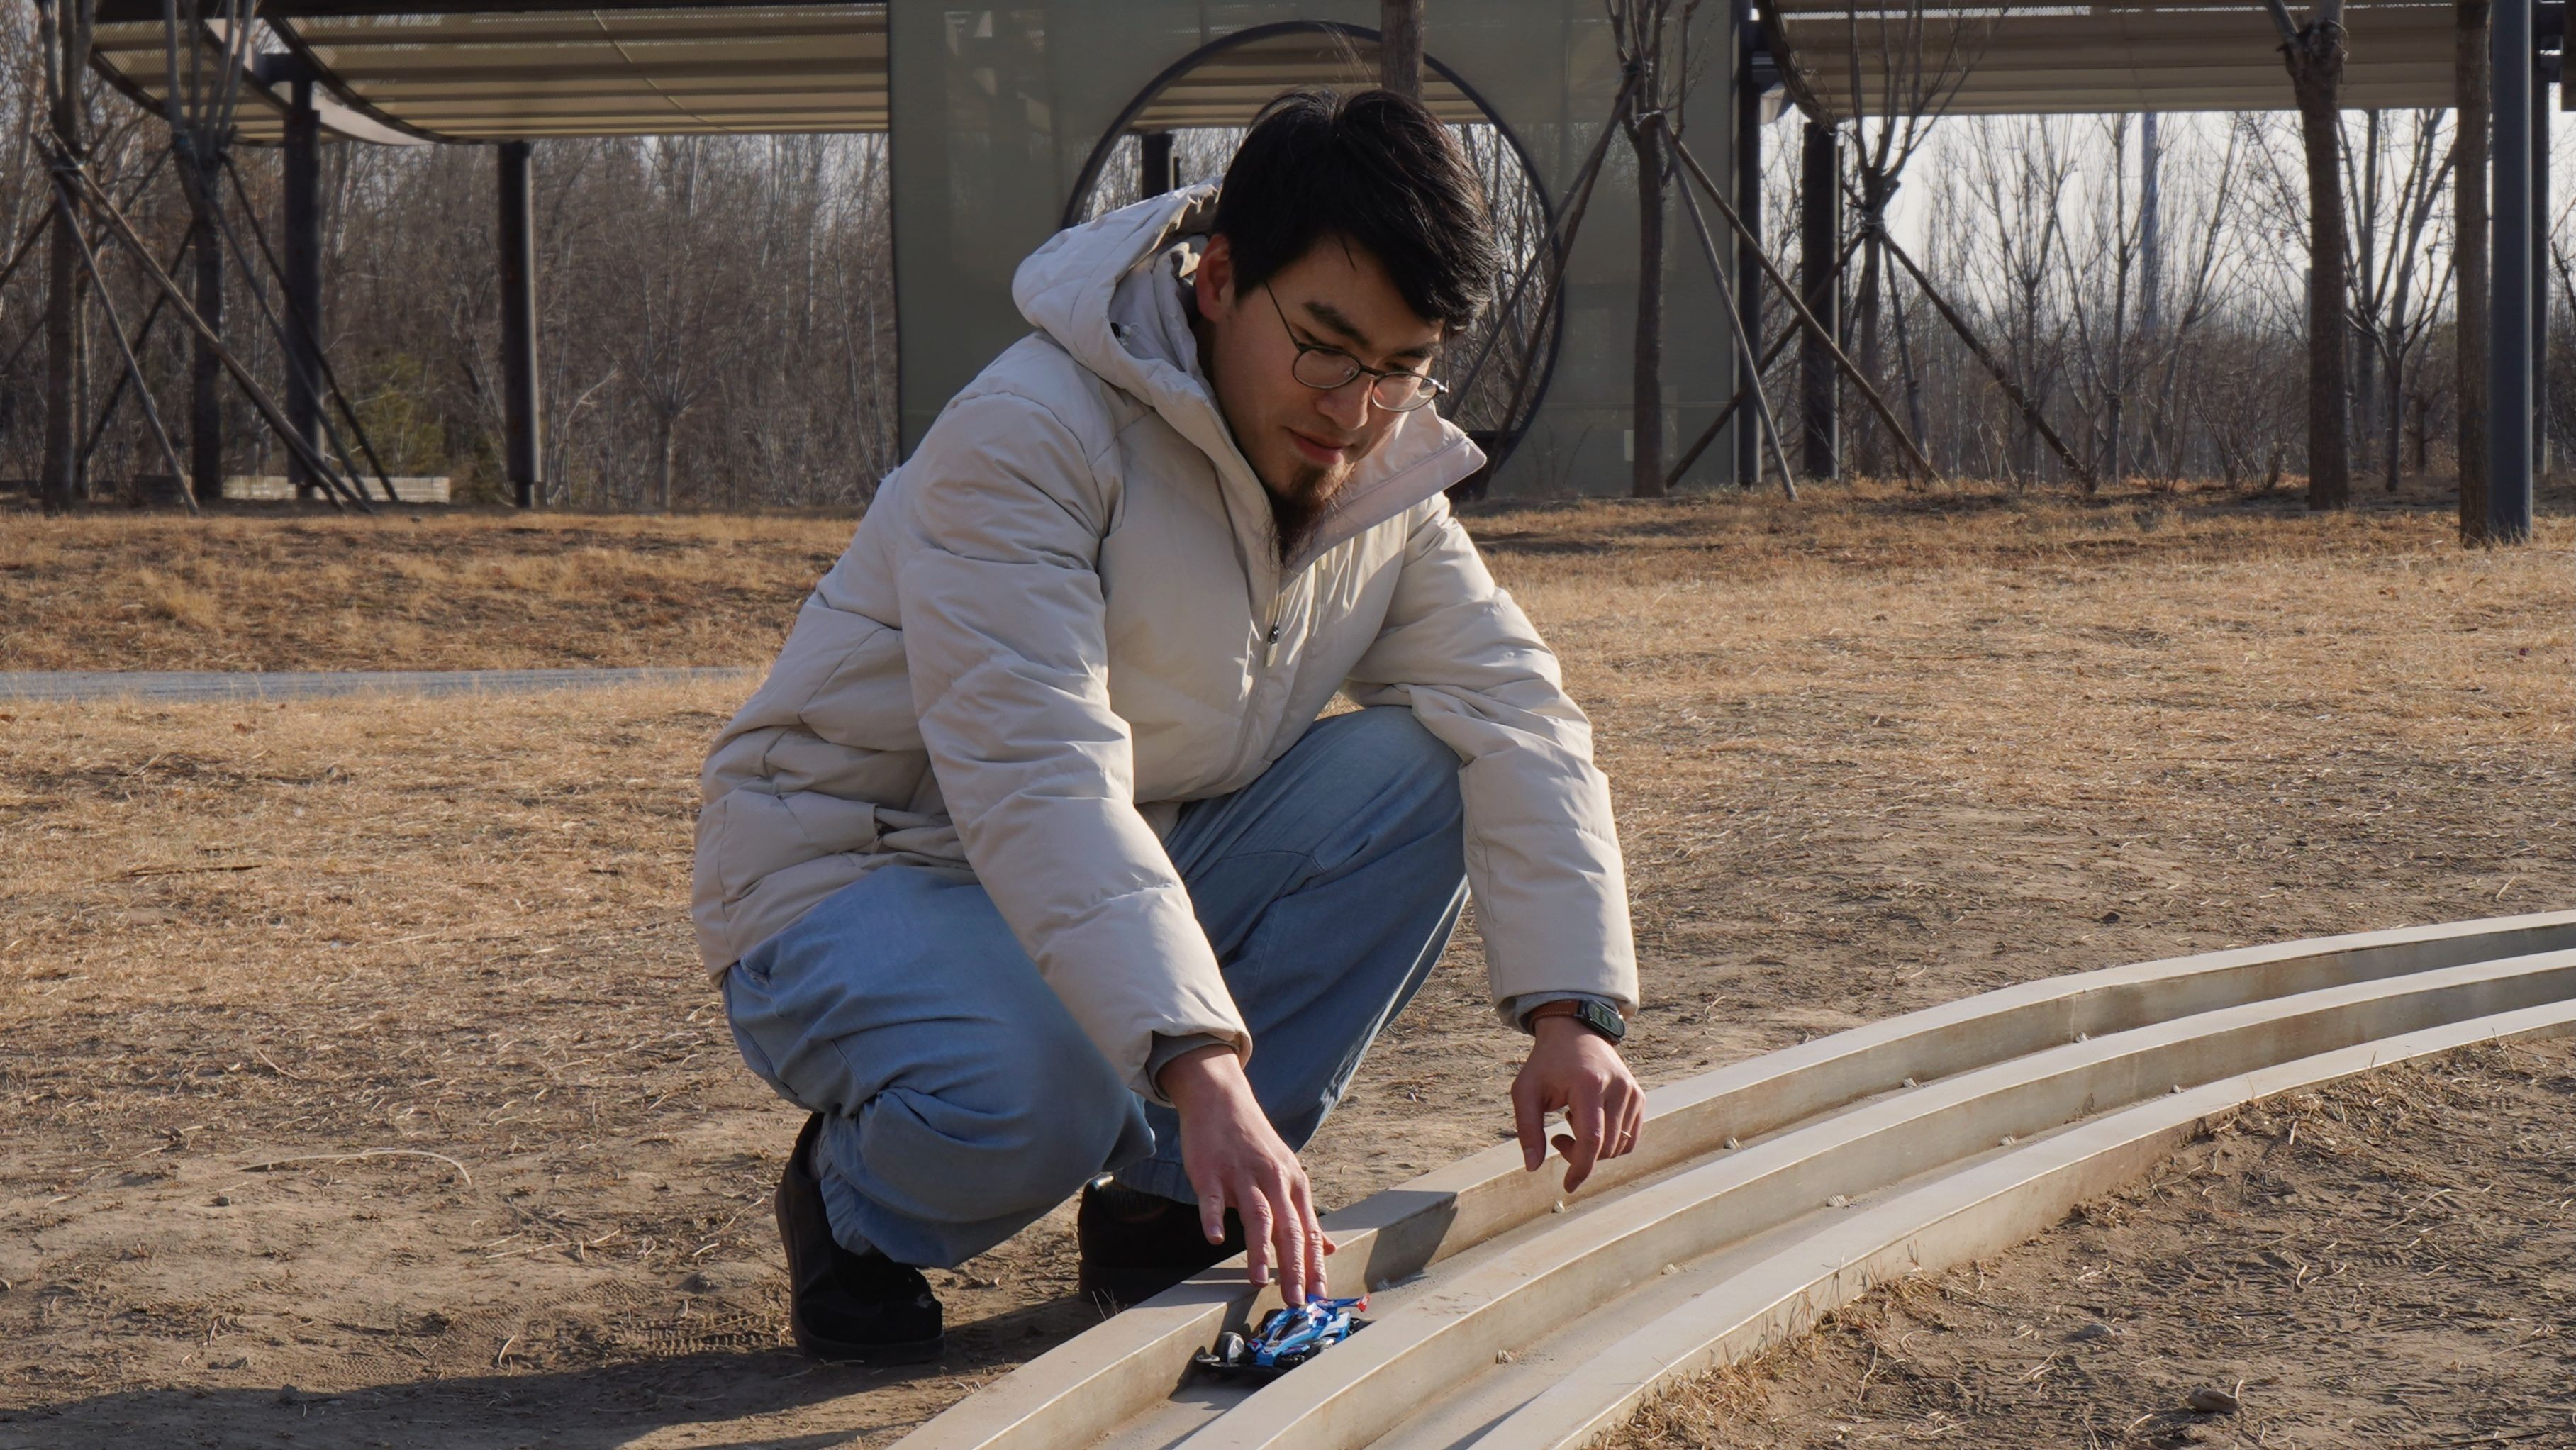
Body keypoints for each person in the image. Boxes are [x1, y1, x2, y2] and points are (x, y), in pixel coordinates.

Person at [693, 87, 1641, 1365]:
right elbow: (1035, 770)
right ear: (1221, 278)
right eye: (1325, 345)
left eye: (1402, 367)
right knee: (1057, 1086)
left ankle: (1159, 1204)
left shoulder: (1378, 472)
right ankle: (853, 1204)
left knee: (1426, 769)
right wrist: (1197, 1063)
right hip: (858, 869)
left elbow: (1515, 707)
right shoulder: (1030, 434)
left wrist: (1571, 1011)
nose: (1355, 408)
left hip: (1116, 855)